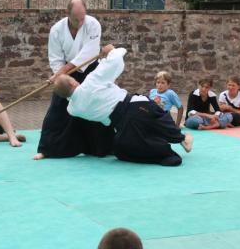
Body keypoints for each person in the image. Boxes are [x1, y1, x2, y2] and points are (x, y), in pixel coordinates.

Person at [54, 45, 193, 167]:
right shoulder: (90, 82)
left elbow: (69, 94)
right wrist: (112, 50)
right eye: (72, 79)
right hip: (135, 108)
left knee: (127, 150)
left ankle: (167, 149)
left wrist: (59, 82)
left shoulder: (73, 109)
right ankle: (181, 138)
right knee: (159, 115)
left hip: (122, 128)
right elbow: (114, 62)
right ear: (73, 83)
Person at [35, 0, 114, 160]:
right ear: (67, 14)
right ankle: (47, 149)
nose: (80, 22)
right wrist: (60, 75)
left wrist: (61, 72)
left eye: (82, 17)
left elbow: (89, 52)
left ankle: (103, 147)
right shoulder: (56, 30)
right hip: (66, 73)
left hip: (90, 69)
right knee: (58, 108)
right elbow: (55, 57)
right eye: (76, 18)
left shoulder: (93, 24)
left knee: (96, 106)